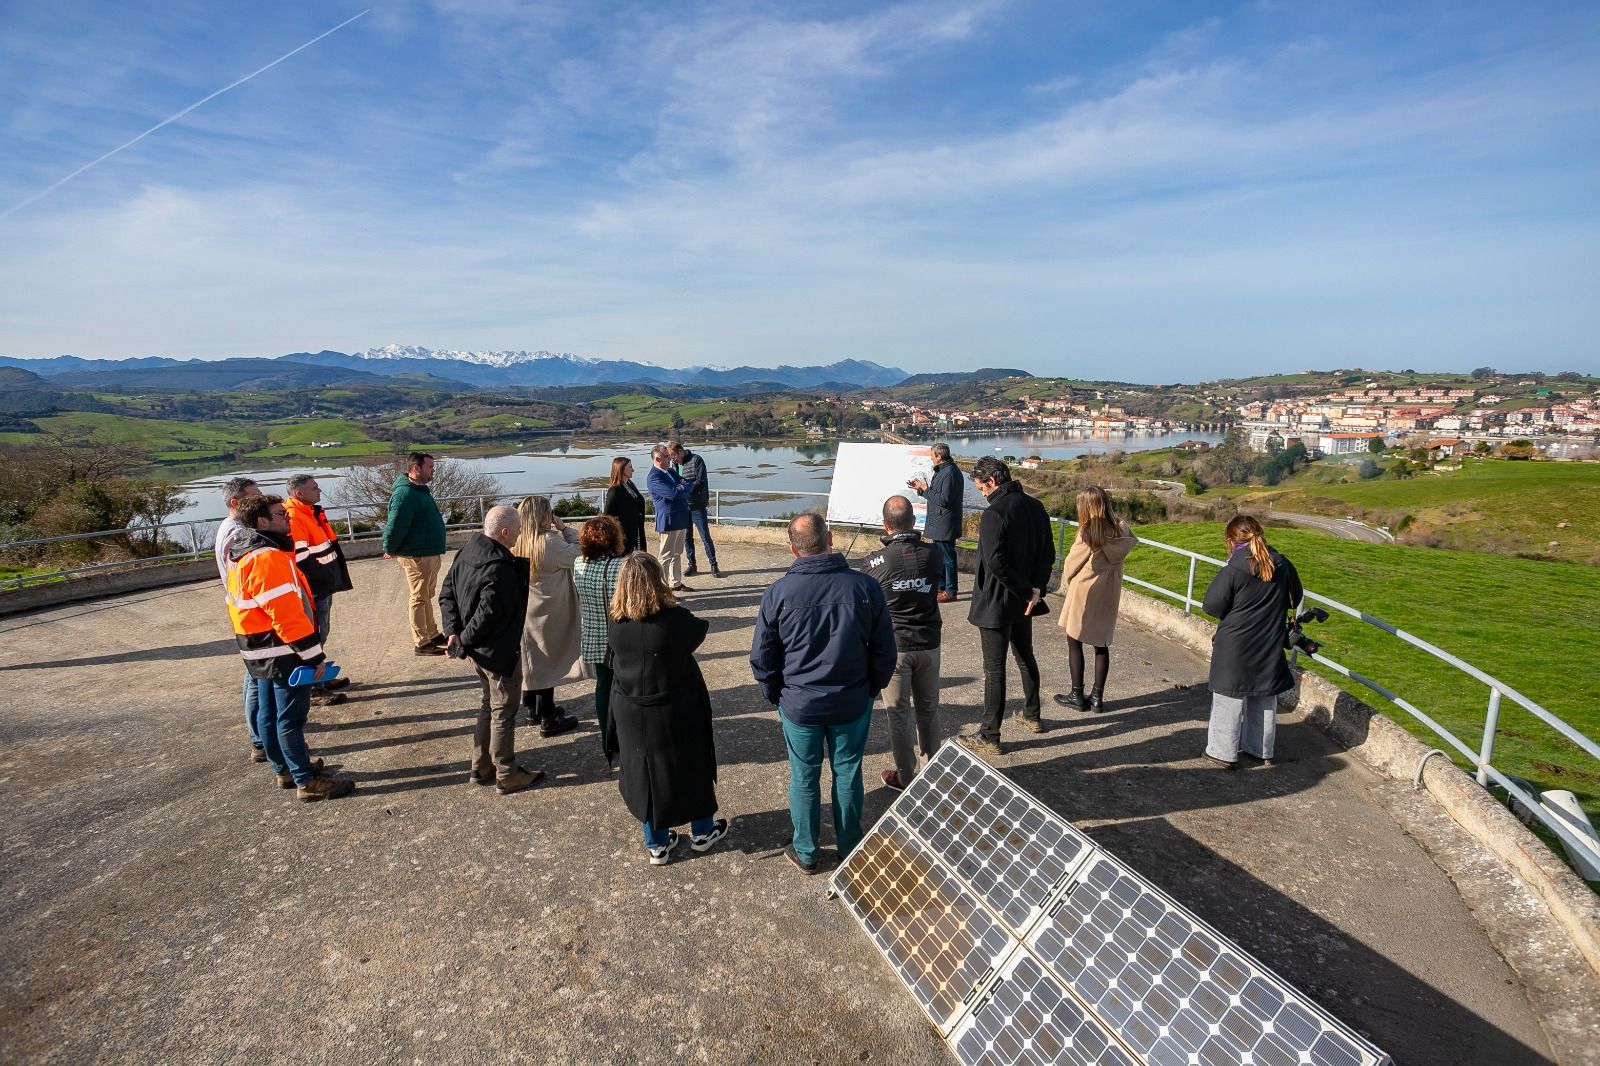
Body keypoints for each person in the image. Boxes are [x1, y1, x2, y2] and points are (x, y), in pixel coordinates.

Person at [751, 513, 895, 875]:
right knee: (847, 772)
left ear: (792, 549)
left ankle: (807, 852)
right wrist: (870, 689)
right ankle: (849, 847)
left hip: (799, 703)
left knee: (804, 774)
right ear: (829, 539)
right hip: (851, 699)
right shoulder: (865, 587)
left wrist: (777, 695)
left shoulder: (778, 592)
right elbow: (884, 651)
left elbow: (762, 657)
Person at [226, 494, 353, 802]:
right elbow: (286, 615)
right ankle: (306, 781)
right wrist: (314, 656)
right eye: (280, 514)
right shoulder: (267, 559)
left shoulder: (246, 554)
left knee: (269, 714)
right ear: (262, 522)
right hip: (282, 650)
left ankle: (284, 769)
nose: (287, 517)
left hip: (258, 648)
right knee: (290, 718)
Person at [605, 552, 730, 865]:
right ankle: (702, 832)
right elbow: (700, 629)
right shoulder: (673, 620)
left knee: (644, 770)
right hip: (676, 705)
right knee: (692, 763)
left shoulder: (617, 623)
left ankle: (657, 842)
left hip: (632, 708)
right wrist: (675, 604)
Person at [439, 505, 544, 795]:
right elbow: (488, 615)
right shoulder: (501, 567)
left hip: (478, 652)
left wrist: (454, 633)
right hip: (497, 652)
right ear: (505, 532)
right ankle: (507, 773)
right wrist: (462, 639)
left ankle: (480, 765)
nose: (522, 532)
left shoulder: (468, 551)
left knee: (489, 704)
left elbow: (447, 593)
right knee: (503, 712)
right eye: (518, 529)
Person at [960, 456, 1054, 756]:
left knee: (994, 669)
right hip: (1025, 601)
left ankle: (990, 735)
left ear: (992, 481)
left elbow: (995, 564)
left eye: (981, 488)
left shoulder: (994, 514)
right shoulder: (1036, 507)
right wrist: (1034, 590)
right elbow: (1047, 554)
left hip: (996, 604)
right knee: (1025, 656)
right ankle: (1032, 715)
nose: (982, 494)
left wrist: (1028, 590)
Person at [1202, 515, 1303, 769]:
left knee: (1230, 697)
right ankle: (1261, 750)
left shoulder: (1235, 567)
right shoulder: (1282, 564)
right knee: (1264, 696)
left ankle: (1222, 752)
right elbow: (1295, 598)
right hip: (1269, 641)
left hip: (1235, 645)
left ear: (1231, 540)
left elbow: (1211, 606)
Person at [861, 495, 943, 792]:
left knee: (898, 713)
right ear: (913, 521)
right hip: (929, 642)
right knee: (928, 709)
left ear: (885, 524)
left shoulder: (873, 563)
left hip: (895, 646)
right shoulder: (934, 555)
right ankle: (931, 772)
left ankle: (906, 777)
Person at [1052, 487, 1137, 713]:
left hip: (1085, 591)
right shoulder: (1122, 529)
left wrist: (1068, 580)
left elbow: (1071, 564)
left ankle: (1076, 695)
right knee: (1101, 644)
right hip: (1109, 591)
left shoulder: (1087, 532)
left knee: (1074, 640)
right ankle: (1097, 698)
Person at [512, 495, 582, 737]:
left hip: (527, 607)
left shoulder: (518, 540)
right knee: (547, 660)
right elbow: (579, 554)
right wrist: (565, 528)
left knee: (531, 658)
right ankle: (549, 717)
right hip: (549, 607)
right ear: (544, 515)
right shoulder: (549, 543)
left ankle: (532, 709)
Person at [284, 473, 354, 706]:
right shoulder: (296, 516)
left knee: (321, 634)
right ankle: (313, 689)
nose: (319, 490)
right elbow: (302, 558)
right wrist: (324, 578)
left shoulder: (308, 512)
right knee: (314, 637)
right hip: (315, 589)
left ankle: (319, 679)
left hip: (323, 586)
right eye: (314, 488)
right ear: (298, 493)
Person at [214, 476, 264, 761]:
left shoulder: (235, 528)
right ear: (235, 503)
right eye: (253, 496)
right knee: (257, 677)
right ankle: (259, 739)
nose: (260, 500)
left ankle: (259, 733)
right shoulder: (237, 535)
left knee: (254, 675)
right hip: (251, 615)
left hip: (246, 613)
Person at [382, 452, 449, 655]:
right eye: (430, 467)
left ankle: (432, 632)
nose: (433, 471)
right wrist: (390, 548)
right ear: (416, 468)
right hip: (416, 555)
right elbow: (395, 526)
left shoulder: (418, 490)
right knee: (419, 597)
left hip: (427, 552)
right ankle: (421, 642)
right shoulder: (405, 494)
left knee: (426, 595)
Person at [573, 514, 627, 759]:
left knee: (603, 686)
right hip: (619, 637)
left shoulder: (579, 564)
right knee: (626, 687)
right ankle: (625, 735)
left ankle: (607, 736)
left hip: (594, 635)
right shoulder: (620, 566)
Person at [908, 442, 963, 602]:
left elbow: (943, 500)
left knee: (948, 557)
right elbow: (936, 495)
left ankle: (951, 591)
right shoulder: (945, 471)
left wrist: (925, 489)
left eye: (932, 455)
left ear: (939, 456)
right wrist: (921, 489)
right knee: (941, 557)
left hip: (944, 522)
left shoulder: (950, 473)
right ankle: (942, 586)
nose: (931, 458)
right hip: (939, 521)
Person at [646, 443, 694, 591]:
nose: (670, 459)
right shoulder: (654, 477)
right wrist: (680, 488)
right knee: (665, 556)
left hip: (680, 517)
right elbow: (673, 494)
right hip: (668, 520)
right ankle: (662, 588)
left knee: (677, 553)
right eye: (667, 457)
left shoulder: (670, 472)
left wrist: (681, 488)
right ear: (658, 459)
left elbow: (689, 484)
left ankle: (675, 583)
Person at [671, 441, 722, 579]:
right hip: (683, 506)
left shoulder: (696, 460)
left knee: (705, 536)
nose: (672, 459)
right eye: (670, 457)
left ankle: (714, 565)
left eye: (673, 456)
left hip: (697, 505)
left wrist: (685, 489)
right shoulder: (675, 465)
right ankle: (692, 565)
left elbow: (700, 480)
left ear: (680, 452)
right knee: (687, 538)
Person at [600, 457, 648, 555]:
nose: (633, 470)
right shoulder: (614, 490)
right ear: (621, 469)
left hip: (636, 533)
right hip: (624, 537)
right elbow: (607, 517)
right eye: (630, 467)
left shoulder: (630, 485)